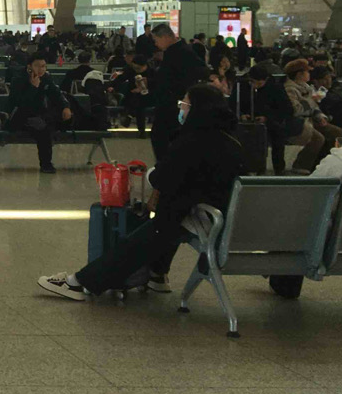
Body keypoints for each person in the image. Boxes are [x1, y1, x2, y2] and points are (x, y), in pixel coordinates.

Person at [38, 83, 246, 300]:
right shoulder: (233, 141)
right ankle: (157, 274)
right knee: (170, 217)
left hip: (208, 220)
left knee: (154, 231)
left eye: (184, 104)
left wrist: (153, 174)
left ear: (197, 110)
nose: (181, 108)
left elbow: (161, 179)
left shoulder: (192, 141)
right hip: (229, 220)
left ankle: (81, 283)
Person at [148, 23, 208, 160]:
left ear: (165, 37)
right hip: (172, 101)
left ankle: (166, 166)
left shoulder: (182, 52)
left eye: (156, 40)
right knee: (166, 137)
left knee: (163, 137)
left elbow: (198, 71)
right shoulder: (175, 51)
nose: (156, 44)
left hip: (174, 103)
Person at [7, 54, 72, 174]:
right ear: (29, 67)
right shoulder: (18, 79)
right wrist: (33, 87)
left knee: (57, 121)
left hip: (39, 115)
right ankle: (46, 164)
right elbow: (19, 103)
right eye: (37, 66)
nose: (41, 69)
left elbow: (57, 94)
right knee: (43, 129)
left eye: (43, 66)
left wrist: (65, 107)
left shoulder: (46, 78)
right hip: (21, 116)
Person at [284, 58, 342, 174]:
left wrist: (320, 116)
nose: (309, 74)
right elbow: (296, 110)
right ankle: (301, 166)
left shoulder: (306, 87)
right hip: (299, 122)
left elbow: (314, 107)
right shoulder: (290, 89)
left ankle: (324, 162)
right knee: (318, 138)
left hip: (311, 120)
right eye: (307, 71)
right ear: (299, 74)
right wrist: (311, 102)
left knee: (336, 132)